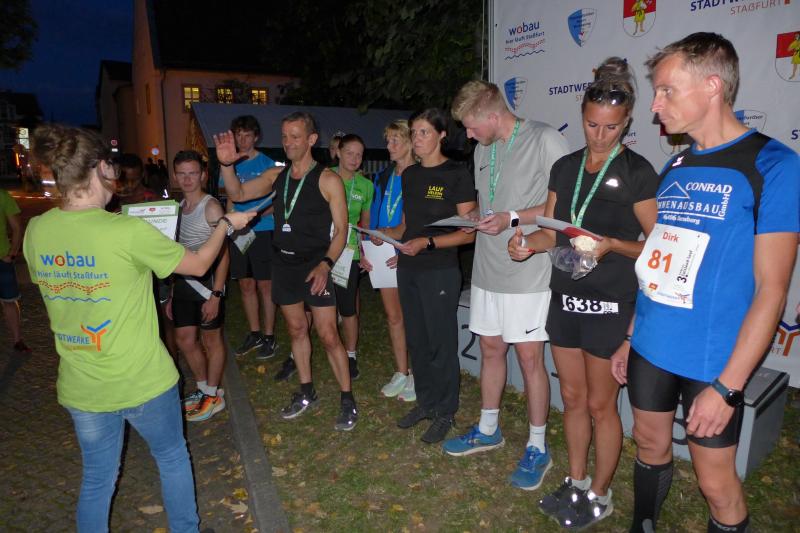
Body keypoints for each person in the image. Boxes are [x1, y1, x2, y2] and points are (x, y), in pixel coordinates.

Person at [611, 33, 800, 532]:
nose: (655, 106)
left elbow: (772, 290)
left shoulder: (774, 165)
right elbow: (659, 263)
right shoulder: (675, 165)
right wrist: (630, 336)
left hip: (713, 361)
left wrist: (728, 387)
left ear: (712, 86)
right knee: (649, 445)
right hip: (652, 344)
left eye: (667, 90)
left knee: (716, 484)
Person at [25, 124, 254, 532]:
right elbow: (199, 264)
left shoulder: (38, 230)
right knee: (171, 457)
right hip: (142, 379)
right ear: (100, 169)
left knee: (97, 479)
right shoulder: (127, 231)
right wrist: (226, 225)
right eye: (111, 167)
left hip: (83, 384)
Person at [508, 58, 659, 528]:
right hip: (565, 299)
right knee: (572, 399)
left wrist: (612, 244)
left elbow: (658, 247)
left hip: (611, 304)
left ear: (627, 121)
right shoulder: (565, 167)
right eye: (592, 124)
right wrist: (525, 245)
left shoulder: (638, 172)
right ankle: (575, 481)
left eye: (611, 127)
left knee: (600, 405)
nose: (600, 135)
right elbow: (552, 232)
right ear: (582, 115)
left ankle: (600, 493)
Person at [441, 80, 568, 491]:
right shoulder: (484, 148)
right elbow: (491, 201)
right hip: (487, 269)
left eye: (472, 126)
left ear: (494, 115)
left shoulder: (545, 140)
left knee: (530, 359)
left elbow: (560, 207)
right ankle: (488, 428)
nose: (468, 135)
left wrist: (510, 217)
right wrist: (475, 217)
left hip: (527, 270)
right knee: (490, 349)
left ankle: (537, 446)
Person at [214, 111, 358, 431]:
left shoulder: (328, 179)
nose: (288, 142)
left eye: (295, 136)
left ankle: (347, 398)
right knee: (296, 329)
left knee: (328, 334)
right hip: (283, 263)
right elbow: (237, 195)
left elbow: (342, 230)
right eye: (284, 136)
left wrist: (326, 264)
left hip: (316, 265)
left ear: (311, 139)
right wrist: (226, 165)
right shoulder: (276, 175)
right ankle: (306, 391)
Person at [383, 108, 476, 444]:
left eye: (424, 132)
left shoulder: (456, 174)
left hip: (439, 270)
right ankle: (426, 402)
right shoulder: (409, 175)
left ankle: (446, 411)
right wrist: (386, 235)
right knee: (418, 341)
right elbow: (408, 225)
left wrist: (429, 242)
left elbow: (468, 233)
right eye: (414, 132)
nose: (417, 138)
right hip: (410, 267)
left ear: (441, 135)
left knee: (441, 343)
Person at [167, 150, 230, 422]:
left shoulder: (211, 207)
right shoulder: (178, 209)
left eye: (192, 173)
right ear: (175, 176)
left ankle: (214, 396)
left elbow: (224, 254)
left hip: (208, 285)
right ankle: (204, 389)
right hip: (183, 284)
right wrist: (172, 292)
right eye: (182, 173)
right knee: (184, 339)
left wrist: (216, 294)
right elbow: (176, 253)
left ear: (203, 175)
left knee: (211, 340)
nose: (187, 179)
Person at [363, 120, 415, 401]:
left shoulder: (420, 175)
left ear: (410, 142)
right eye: (388, 140)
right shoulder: (383, 176)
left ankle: (418, 375)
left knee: (414, 318)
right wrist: (366, 246)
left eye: (396, 139)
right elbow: (372, 214)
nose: (389, 145)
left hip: (407, 253)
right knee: (394, 317)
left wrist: (401, 247)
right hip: (383, 253)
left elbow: (419, 222)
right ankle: (401, 371)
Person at [224, 115, 280, 361]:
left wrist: (254, 217)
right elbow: (230, 197)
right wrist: (229, 224)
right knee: (246, 284)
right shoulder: (230, 163)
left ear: (256, 137)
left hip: (264, 229)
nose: (243, 140)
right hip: (239, 233)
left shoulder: (268, 163)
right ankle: (255, 333)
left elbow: (277, 202)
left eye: (247, 135)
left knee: (265, 285)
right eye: (239, 135)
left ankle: (269, 335)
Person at [330, 133, 373, 380]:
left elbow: (364, 224)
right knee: (316, 305)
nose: (355, 159)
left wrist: (365, 252)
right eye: (349, 153)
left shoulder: (366, 186)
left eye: (359, 155)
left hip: (349, 254)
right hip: (323, 252)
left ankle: (351, 354)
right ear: (338, 152)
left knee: (348, 309)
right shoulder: (324, 177)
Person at [0, 188, 30, 353]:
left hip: (2, 259)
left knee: (9, 300)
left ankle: (17, 340)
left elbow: (17, 228)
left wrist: (11, 254)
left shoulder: (2, 196)